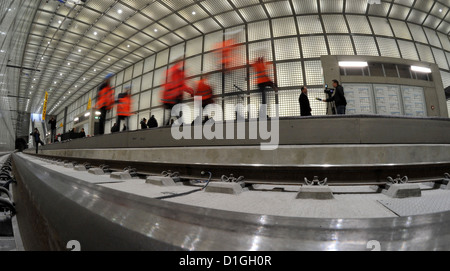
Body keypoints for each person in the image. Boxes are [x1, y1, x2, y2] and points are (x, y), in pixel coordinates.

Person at [161, 60, 193, 125]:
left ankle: (166, 123)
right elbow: (183, 87)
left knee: (173, 112)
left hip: (172, 99)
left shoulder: (171, 75)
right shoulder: (179, 76)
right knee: (176, 111)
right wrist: (191, 92)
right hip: (176, 98)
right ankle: (179, 123)